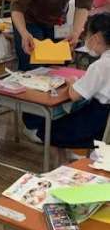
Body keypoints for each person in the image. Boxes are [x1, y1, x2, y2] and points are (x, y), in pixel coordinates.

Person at [24, 13, 110, 148]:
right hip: (104, 122)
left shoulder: (100, 66)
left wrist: (72, 82)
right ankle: (67, 157)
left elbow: (74, 95)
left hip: (95, 124)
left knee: (48, 129)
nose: (85, 39)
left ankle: (62, 159)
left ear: (96, 38)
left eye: (87, 35)